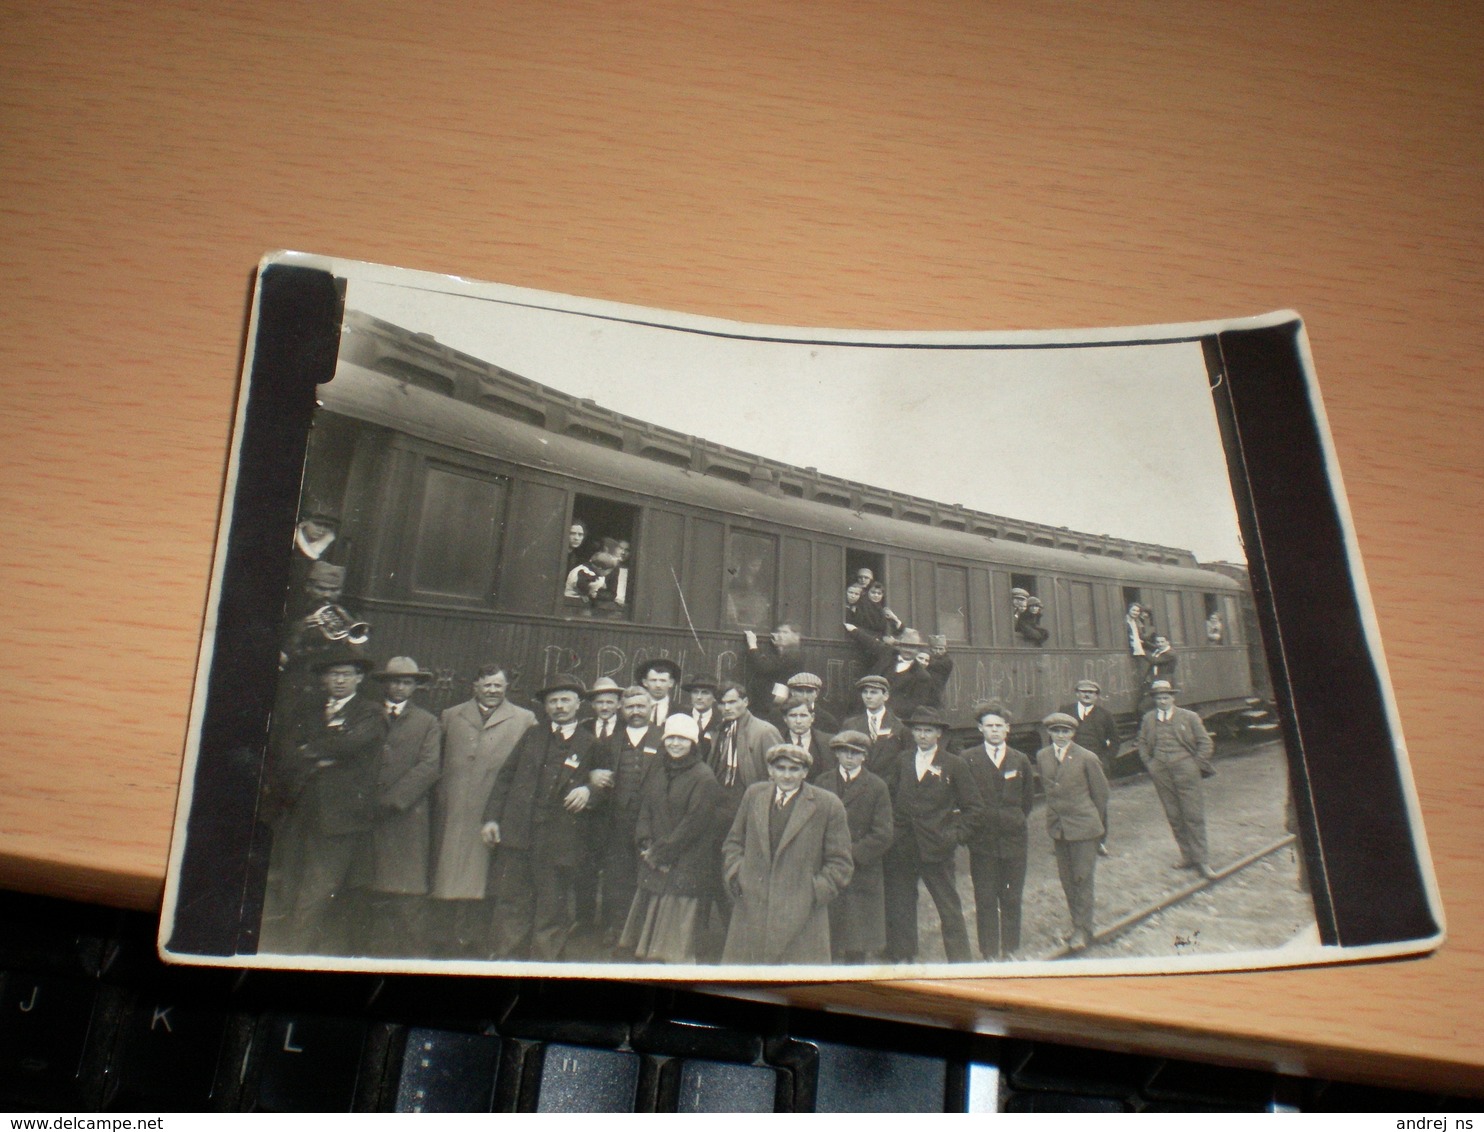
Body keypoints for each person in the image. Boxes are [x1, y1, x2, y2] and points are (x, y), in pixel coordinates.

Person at [263, 646, 387, 955]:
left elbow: (351, 744)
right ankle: (295, 949)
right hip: (300, 810)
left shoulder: (370, 712)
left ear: (359, 678)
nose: (340, 680)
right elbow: (287, 749)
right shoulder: (308, 709)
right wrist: (320, 753)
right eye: (334, 674)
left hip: (339, 818)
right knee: (292, 882)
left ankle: (298, 953)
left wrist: (312, 749)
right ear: (324, 679)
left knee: (319, 889)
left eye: (347, 674)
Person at [481, 678, 603, 960]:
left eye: (565, 700)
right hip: (520, 835)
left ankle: (543, 965)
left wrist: (589, 790)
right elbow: (506, 777)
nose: (559, 706)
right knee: (512, 903)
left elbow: (605, 785)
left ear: (578, 704)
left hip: (560, 840)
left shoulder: (591, 744)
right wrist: (491, 819)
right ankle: (505, 962)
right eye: (553, 701)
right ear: (545, 706)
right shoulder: (531, 735)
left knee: (552, 908)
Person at [429, 665, 536, 957]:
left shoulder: (525, 719)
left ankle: (475, 942)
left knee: (485, 882)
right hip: (455, 810)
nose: (493, 690)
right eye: (487, 685)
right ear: (475, 686)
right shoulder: (451, 716)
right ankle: (446, 942)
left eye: (498, 685)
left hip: (493, 811)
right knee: (448, 877)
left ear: (506, 687)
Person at [721, 744, 854, 965]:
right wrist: (738, 874)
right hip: (752, 908)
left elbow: (841, 864)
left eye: (794, 769)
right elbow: (734, 842)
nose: (787, 775)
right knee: (746, 984)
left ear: (805, 772)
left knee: (796, 989)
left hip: (802, 915)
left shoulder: (828, 804)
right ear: (770, 770)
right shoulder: (754, 795)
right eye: (780, 768)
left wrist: (813, 892)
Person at [881, 707, 983, 964]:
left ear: (939, 734)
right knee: (901, 904)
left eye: (928, 731)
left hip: (937, 848)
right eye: (918, 730)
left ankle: (960, 962)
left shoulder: (954, 764)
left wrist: (955, 836)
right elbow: (888, 797)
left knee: (948, 907)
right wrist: (894, 830)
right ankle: (903, 957)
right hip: (903, 847)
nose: (922, 736)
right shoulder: (902, 761)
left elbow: (974, 808)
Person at [619, 714, 723, 963]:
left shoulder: (704, 776)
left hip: (684, 860)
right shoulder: (660, 769)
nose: (676, 744)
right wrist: (645, 842)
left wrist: (661, 853)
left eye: (682, 739)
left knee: (673, 944)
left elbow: (694, 824)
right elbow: (646, 807)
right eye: (671, 738)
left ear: (693, 743)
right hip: (655, 858)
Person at [356, 656, 442, 957]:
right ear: (384, 684)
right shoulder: (367, 714)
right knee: (363, 888)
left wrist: (392, 802)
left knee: (408, 894)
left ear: (415, 686)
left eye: (407, 682)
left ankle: (415, 960)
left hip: (405, 818)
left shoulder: (428, 722)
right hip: (364, 815)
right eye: (394, 681)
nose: (400, 687)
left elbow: (429, 767)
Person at [958, 701, 1034, 961]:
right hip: (983, 842)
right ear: (980, 728)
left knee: (1012, 897)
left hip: (1014, 842)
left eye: (999, 726)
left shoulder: (1020, 759)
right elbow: (963, 798)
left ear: (1007, 729)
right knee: (986, 898)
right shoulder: (968, 759)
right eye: (989, 726)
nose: (994, 730)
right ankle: (989, 952)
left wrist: (1011, 820)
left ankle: (1010, 949)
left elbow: (1027, 801)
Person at [592, 686, 665, 942]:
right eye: (630, 707)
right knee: (617, 875)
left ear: (651, 708)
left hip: (652, 822)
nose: (635, 712)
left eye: (641, 706)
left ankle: (645, 934)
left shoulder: (665, 738)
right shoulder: (610, 740)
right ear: (622, 710)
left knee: (648, 874)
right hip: (617, 821)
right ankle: (617, 928)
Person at [816, 731, 894, 964]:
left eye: (855, 753)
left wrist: (849, 853)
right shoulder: (822, 782)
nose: (849, 757)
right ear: (836, 754)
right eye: (844, 752)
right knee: (826, 936)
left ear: (864, 757)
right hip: (826, 867)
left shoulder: (877, 786)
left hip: (861, 870)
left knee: (856, 941)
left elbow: (883, 834)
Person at [1037, 712, 1110, 951]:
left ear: (1073, 733)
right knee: (1067, 880)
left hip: (1084, 828)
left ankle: (1083, 929)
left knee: (1082, 878)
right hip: (1059, 828)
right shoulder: (1043, 756)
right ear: (1049, 733)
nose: (1060, 736)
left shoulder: (1087, 757)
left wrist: (1094, 826)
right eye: (1056, 731)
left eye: (1065, 731)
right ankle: (1076, 923)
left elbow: (1101, 795)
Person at [1136, 680, 1216, 879]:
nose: (1162, 701)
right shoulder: (1148, 718)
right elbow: (1143, 742)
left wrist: (1195, 764)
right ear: (1154, 700)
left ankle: (1202, 861)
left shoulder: (1189, 717)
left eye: (1166, 697)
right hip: (1160, 770)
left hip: (1186, 768)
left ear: (1173, 698)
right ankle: (1187, 856)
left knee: (1193, 814)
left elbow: (1205, 742)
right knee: (1173, 814)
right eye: (1158, 698)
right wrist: (1150, 763)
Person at [840, 674, 908, 785]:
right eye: (865, 692)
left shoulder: (899, 726)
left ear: (885, 696)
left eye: (873, 692)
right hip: (855, 784)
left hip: (888, 787)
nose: (868, 696)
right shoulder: (850, 725)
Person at [743, 623, 803, 723]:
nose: (780, 635)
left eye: (785, 632)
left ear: (796, 636)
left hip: (772, 705)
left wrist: (752, 645)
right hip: (776, 700)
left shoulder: (793, 654)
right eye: (779, 632)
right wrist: (780, 648)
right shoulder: (792, 652)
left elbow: (764, 668)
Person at [1058, 679, 1120, 777]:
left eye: (1091, 692)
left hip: (1097, 762)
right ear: (1077, 694)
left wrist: (1106, 760)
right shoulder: (1066, 712)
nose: (1087, 695)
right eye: (1083, 691)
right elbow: (1056, 735)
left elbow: (1115, 740)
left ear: (1096, 696)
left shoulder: (1105, 715)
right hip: (1071, 762)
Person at [779, 696, 833, 768]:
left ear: (812, 717)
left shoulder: (827, 742)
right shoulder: (777, 739)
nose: (798, 721)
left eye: (803, 716)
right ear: (785, 718)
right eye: (793, 716)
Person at [635, 657, 685, 725]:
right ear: (645, 682)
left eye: (663, 680)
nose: (658, 685)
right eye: (653, 680)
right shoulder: (634, 709)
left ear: (671, 683)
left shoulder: (682, 711)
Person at [683, 676, 723, 761]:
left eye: (705, 693)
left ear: (714, 697)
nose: (699, 697)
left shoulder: (721, 722)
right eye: (695, 692)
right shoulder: (682, 718)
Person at [1124, 602, 1156, 685]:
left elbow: (1140, 635)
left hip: (1137, 646)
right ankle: (1147, 680)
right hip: (1132, 646)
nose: (1135, 613)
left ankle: (1147, 680)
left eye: (1137, 611)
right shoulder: (1125, 621)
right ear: (1129, 610)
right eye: (1133, 610)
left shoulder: (1136, 622)